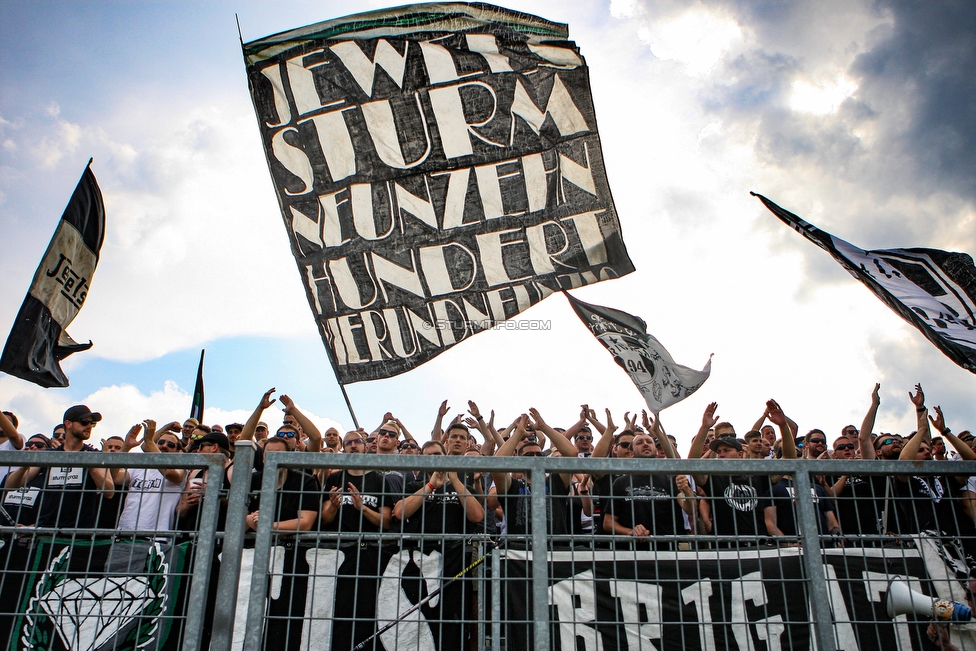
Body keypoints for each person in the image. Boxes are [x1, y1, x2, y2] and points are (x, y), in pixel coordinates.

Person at [689, 400, 796, 547]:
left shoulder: (757, 476)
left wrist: (783, 426)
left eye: (726, 451)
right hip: (726, 548)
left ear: (740, 454)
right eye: (719, 452)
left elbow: (789, 459)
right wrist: (704, 427)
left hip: (758, 546)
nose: (721, 455)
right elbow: (692, 463)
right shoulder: (713, 479)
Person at [6, 405, 115, 531]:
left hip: (79, 531)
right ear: (68, 424)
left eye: (92, 423)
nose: (89, 426)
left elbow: (109, 492)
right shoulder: (49, 455)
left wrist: (91, 468)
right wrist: (23, 468)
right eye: (84, 422)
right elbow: (11, 486)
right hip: (47, 529)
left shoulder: (94, 455)